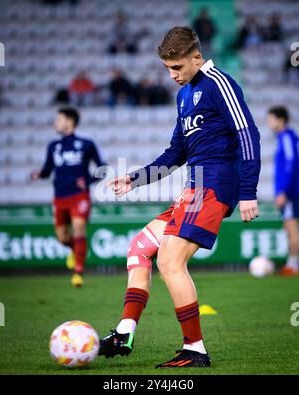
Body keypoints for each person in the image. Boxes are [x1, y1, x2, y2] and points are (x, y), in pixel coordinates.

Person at [98, 26, 261, 368]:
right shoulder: (184, 95)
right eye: (167, 69)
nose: (172, 75)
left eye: (178, 68)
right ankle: (125, 332)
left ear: (196, 57)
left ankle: (195, 349)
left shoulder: (219, 83)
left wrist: (248, 192)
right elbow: (176, 152)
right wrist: (136, 178)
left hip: (215, 184)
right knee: (139, 248)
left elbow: (249, 135)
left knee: (170, 261)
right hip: (194, 186)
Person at [30, 107, 106, 287]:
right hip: (59, 198)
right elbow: (47, 171)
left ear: (70, 121)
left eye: (59, 119)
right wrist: (38, 174)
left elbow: (103, 168)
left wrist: (87, 180)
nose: (55, 123)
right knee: (63, 237)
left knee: (79, 228)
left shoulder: (86, 144)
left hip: (79, 196)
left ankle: (78, 272)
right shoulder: (53, 146)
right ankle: (75, 250)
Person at [267, 106, 299, 275]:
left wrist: (283, 191)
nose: (269, 123)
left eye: (271, 119)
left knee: (291, 228)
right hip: (291, 191)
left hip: (290, 192)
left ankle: (293, 265)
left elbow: (291, 164)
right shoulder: (285, 138)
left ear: (280, 120)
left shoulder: (286, 138)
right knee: (290, 228)